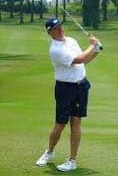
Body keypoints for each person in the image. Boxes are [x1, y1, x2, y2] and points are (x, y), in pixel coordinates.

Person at [36, 17, 102, 172]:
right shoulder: (55, 50)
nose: (59, 30)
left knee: (76, 122)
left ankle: (72, 160)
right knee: (60, 124)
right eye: (55, 29)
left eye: (60, 26)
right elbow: (79, 59)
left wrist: (96, 51)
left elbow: (84, 60)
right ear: (50, 33)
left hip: (81, 86)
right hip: (65, 89)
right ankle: (50, 152)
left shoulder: (71, 40)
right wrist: (92, 45)